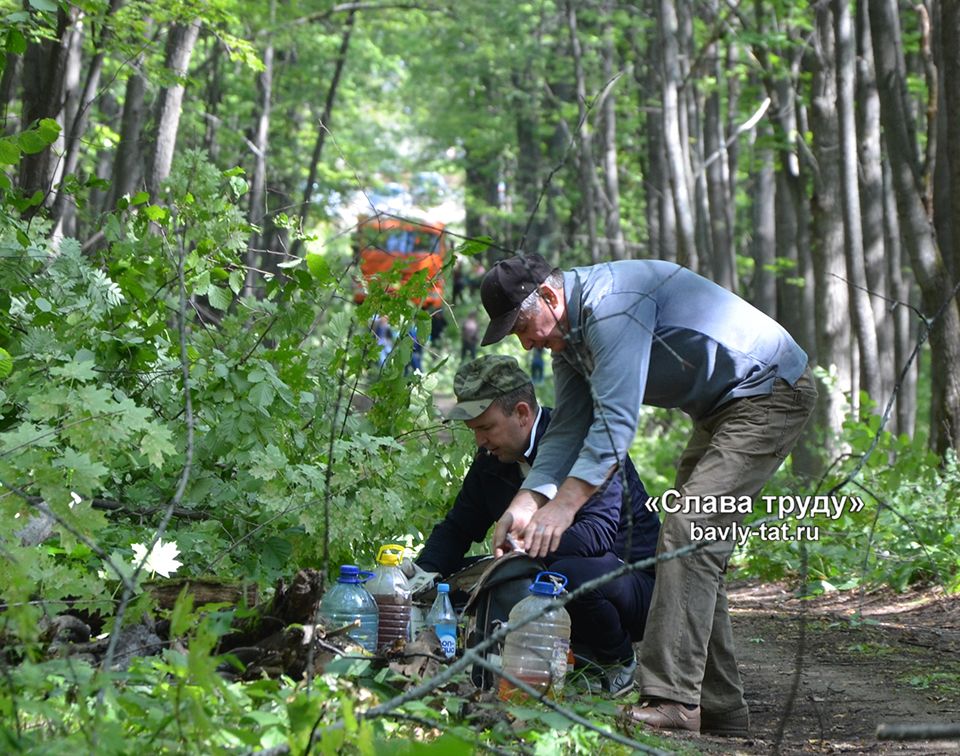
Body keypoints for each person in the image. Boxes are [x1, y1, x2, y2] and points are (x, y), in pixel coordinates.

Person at [478, 254, 817, 736]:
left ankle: (674, 700)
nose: (527, 341)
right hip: (721, 408)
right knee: (692, 546)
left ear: (551, 297)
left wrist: (565, 505)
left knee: (687, 530)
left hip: (768, 390)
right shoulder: (569, 339)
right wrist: (528, 500)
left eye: (525, 325)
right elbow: (570, 427)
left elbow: (615, 422)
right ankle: (718, 706)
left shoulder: (613, 307)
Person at [416, 355, 660, 695]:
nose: (480, 442)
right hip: (549, 576)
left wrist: (524, 545)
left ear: (522, 413)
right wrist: (423, 574)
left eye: (486, 428)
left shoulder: (587, 442)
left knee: (563, 572)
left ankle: (617, 662)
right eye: (474, 431)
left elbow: (598, 534)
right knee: (459, 577)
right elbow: (459, 527)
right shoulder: (491, 461)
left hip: (628, 581)